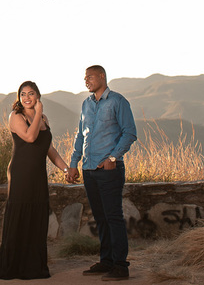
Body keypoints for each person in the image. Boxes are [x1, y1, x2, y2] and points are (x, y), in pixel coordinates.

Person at [0, 80, 73, 280]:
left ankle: (34, 268)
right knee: (20, 216)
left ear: (38, 95)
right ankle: (13, 268)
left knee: (37, 218)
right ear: (19, 98)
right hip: (21, 173)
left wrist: (65, 168)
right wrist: (38, 113)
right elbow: (30, 138)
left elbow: (49, 149)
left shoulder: (43, 118)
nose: (27, 98)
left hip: (38, 175)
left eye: (31, 93)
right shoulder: (16, 116)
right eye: (23, 94)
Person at [66, 65, 137, 281]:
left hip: (109, 171)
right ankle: (106, 261)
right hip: (89, 170)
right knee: (100, 218)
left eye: (90, 77)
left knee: (113, 217)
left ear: (102, 76)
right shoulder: (86, 105)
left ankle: (120, 266)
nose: (86, 80)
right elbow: (80, 136)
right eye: (84, 78)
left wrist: (113, 158)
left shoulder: (118, 101)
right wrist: (73, 163)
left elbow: (130, 133)